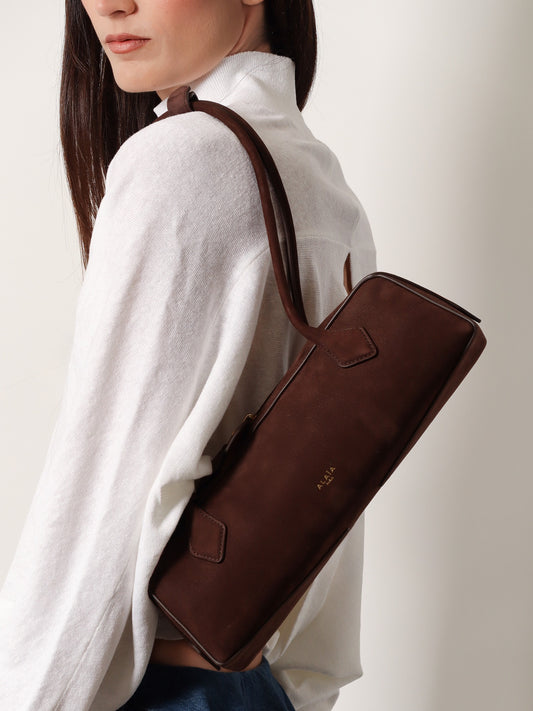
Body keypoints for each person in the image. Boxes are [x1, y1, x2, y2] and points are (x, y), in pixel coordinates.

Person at [0, 0, 376, 709]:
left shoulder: (180, 161)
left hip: (157, 688)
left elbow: (105, 485)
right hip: (252, 685)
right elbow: (334, 489)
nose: (109, 5)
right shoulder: (318, 175)